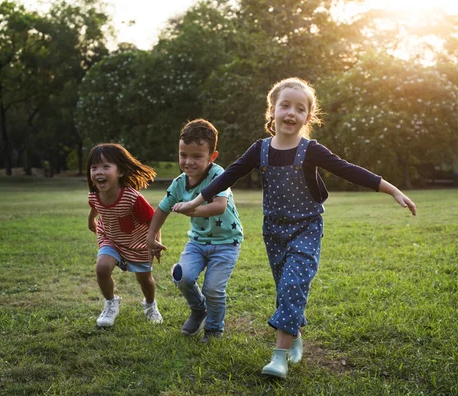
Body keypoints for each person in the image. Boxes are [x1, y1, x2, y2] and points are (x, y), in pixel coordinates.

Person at [174, 78, 417, 378]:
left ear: (308, 117)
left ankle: (279, 357)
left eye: (300, 108)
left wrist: (392, 189)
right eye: (285, 105)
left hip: (307, 228)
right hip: (274, 231)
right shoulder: (259, 150)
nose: (291, 113)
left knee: (292, 284)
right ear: (272, 110)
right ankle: (295, 335)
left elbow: (348, 169)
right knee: (286, 288)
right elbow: (227, 177)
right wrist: (194, 201)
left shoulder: (310, 150)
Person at [146, 119, 243, 343]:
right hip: (197, 243)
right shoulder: (180, 183)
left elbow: (219, 206)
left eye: (197, 156)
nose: (188, 162)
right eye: (183, 155)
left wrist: (192, 210)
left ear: (212, 156)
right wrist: (151, 237)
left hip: (226, 243)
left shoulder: (219, 175)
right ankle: (199, 310)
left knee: (213, 289)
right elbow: (162, 209)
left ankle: (213, 329)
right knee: (182, 277)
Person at [87, 143, 164, 328]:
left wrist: (155, 242)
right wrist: (91, 221)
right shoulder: (95, 195)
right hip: (110, 238)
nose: (99, 172)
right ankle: (111, 303)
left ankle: (150, 305)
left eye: (106, 166)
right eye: (94, 167)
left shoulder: (132, 198)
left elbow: (153, 221)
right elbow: (95, 207)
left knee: (144, 279)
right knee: (102, 268)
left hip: (137, 243)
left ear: (120, 171)